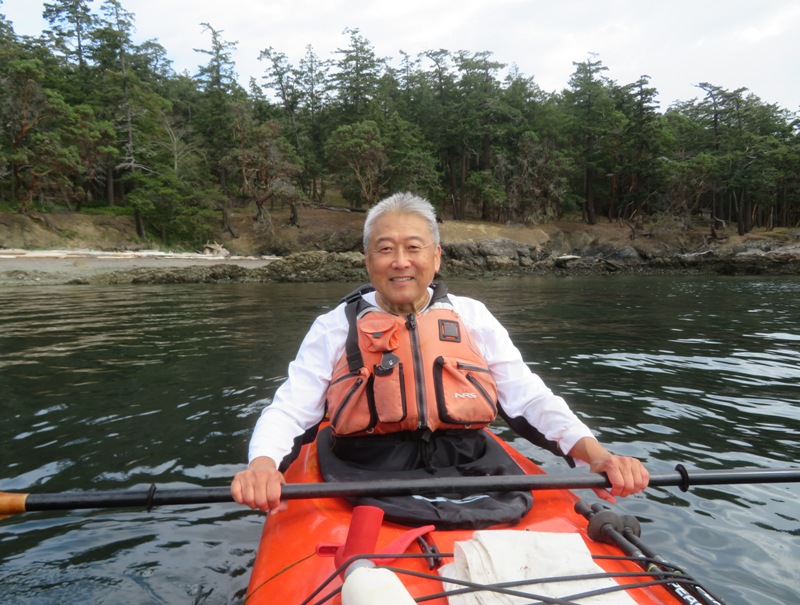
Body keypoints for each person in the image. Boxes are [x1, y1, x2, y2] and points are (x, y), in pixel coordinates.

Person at [231, 192, 649, 515]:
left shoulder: (472, 316)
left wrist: (597, 454)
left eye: (413, 248)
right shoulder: (335, 325)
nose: (400, 263)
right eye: (385, 249)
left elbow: (529, 397)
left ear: (435, 256)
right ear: (367, 259)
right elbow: (291, 408)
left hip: (469, 465)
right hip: (364, 471)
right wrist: (264, 464)